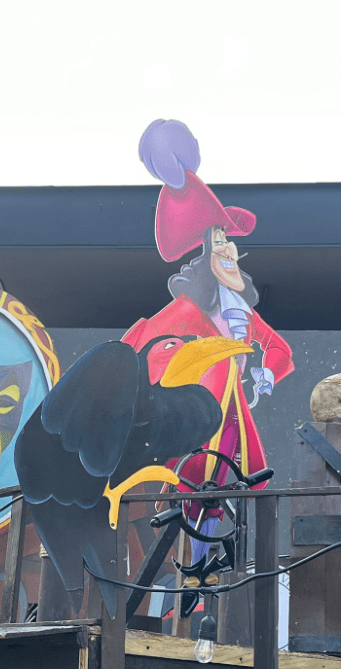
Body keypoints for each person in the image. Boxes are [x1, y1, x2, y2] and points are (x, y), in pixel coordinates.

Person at [122, 120, 294, 560]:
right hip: (194, 416)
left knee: (215, 494)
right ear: (204, 254)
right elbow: (142, 340)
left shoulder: (245, 316)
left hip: (232, 416)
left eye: (229, 241)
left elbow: (281, 350)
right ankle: (179, 563)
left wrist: (266, 374)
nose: (228, 249)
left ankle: (203, 568)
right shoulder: (188, 310)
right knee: (187, 489)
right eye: (218, 240)